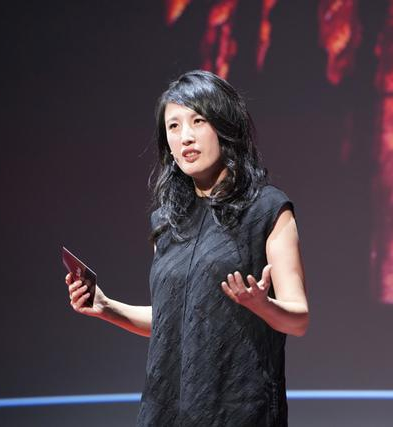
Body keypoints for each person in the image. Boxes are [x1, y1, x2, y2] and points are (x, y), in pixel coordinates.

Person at [66, 70, 308, 426]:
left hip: (239, 411)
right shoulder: (167, 221)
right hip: (165, 411)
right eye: (174, 126)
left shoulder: (267, 209)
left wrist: (262, 305)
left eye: (198, 121)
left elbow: (299, 319)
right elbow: (175, 319)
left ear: (224, 126)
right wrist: (106, 307)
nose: (186, 137)